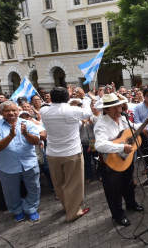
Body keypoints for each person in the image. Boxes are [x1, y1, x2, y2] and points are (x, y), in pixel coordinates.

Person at [40, 87, 95, 222]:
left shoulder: (43, 110)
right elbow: (88, 112)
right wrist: (83, 98)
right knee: (74, 184)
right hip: (72, 154)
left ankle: (67, 207)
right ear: (68, 98)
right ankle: (74, 212)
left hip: (52, 154)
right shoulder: (73, 110)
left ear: (51, 98)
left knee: (59, 183)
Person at [94, 93, 146, 226]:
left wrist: (146, 123)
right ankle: (118, 215)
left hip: (126, 160)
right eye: (114, 107)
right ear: (105, 110)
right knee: (114, 191)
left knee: (129, 184)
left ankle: (131, 204)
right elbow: (99, 145)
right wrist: (121, 147)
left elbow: (133, 127)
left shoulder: (123, 118)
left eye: (119, 106)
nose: (118, 109)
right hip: (110, 164)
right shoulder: (101, 124)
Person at [0, 101, 41, 222]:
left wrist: (26, 134)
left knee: (34, 188)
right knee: (11, 192)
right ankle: (18, 210)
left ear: (18, 111)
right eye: (7, 111)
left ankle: (31, 208)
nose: (11, 113)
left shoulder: (28, 124)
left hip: (29, 163)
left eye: (14, 110)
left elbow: (36, 141)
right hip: (7, 166)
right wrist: (10, 136)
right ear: (0, 112)